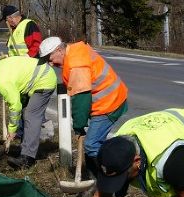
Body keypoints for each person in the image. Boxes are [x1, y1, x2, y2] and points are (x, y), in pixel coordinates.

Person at [38, 37, 128, 179]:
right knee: (94, 143)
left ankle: (119, 172)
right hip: (109, 99)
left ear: (59, 50)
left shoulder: (76, 64)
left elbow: (81, 99)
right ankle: (95, 179)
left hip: (109, 102)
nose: (50, 63)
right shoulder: (74, 51)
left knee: (91, 145)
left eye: (50, 58)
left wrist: (79, 126)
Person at [0, 56, 56, 169]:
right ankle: (25, 148)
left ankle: (27, 159)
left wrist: (12, 129)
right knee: (26, 112)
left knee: (31, 115)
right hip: (37, 78)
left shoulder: (1, 81)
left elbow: (15, 107)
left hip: (43, 80)